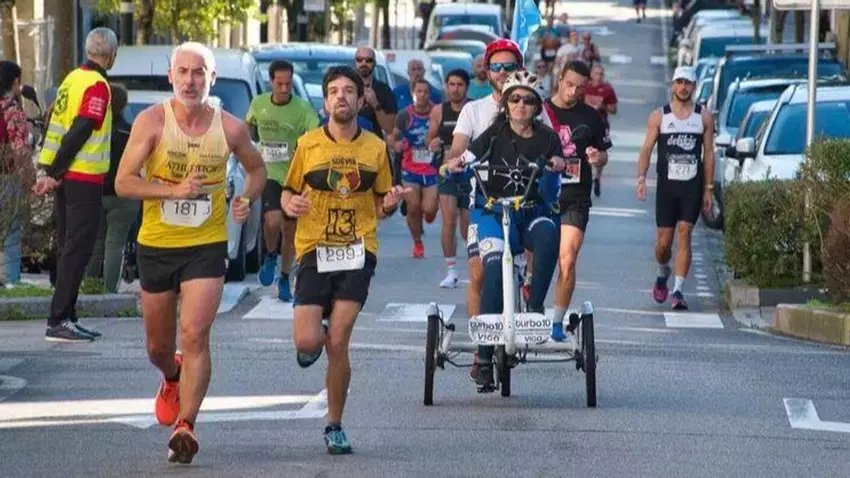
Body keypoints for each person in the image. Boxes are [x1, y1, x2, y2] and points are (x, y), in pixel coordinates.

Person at [114, 41, 266, 464]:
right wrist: (172, 191)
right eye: (182, 71)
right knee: (158, 348)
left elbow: (257, 170)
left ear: (211, 78)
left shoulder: (230, 128)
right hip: (158, 244)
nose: (190, 80)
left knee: (196, 333)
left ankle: (186, 425)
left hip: (205, 245)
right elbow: (124, 182)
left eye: (199, 72)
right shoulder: (151, 122)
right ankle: (171, 374)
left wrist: (246, 198)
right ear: (171, 77)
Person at [281, 65, 409, 454]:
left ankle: (334, 425)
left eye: (349, 91)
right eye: (334, 91)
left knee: (338, 342)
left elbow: (382, 203)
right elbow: (286, 192)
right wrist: (291, 204)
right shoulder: (307, 144)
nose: (341, 96)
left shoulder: (375, 148)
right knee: (308, 341)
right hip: (313, 248)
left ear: (360, 99)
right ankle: (315, 326)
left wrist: (390, 204)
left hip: (357, 249)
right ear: (325, 102)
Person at [443, 70, 564, 391]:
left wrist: (557, 166)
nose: (521, 105)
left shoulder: (547, 137)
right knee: (494, 268)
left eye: (528, 100)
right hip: (493, 214)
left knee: (549, 234)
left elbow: (558, 170)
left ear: (537, 106)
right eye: (515, 99)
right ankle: (484, 359)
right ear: (506, 104)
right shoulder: (493, 134)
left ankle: (534, 307)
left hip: (532, 212)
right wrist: (454, 164)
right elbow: (467, 157)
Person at [34, 27, 119, 342]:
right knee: (77, 249)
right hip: (82, 177)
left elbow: (55, 126)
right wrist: (55, 172)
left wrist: (49, 169)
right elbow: (81, 129)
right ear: (111, 55)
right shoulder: (97, 85)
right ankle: (59, 319)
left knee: (68, 247)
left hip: (67, 177)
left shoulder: (72, 79)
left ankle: (67, 316)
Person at [542, 60, 611, 342]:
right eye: (569, 85)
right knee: (537, 261)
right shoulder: (539, 111)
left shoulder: (591, 117)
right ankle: (529, 294)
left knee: (567, 259)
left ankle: (557, 323)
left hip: (575, 198)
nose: (573, 92)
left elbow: (604, 153)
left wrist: (597, 158)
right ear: (560, 79)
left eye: (579, 88)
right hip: (540, 197)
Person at [636, 66, 714, 310]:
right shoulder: (660, 116)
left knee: (684, 232)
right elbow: (647, 149)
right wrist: (641, 178)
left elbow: (709, 154)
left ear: (694, 86)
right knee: (663, 245)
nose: (683, 87)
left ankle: (678, 290)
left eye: (688, 83)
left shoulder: (703, 117)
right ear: (673, 85)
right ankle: (663, 271)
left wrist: (709, 188)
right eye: (679, 82)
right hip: (667, 187)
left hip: (692, 185)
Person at [246, 60, 319, 301]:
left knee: (289, 230)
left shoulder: (303, 109)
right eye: (280, 84)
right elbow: (249, 129)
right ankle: (270, 254)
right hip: (269, 173)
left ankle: (285, 276)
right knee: (272, 220)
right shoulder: (259, 104)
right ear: (271, 82)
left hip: (294, 176)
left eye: (288, 84)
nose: (285, 88)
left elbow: (315, 135)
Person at [84, 83, 139, 293]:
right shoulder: (130, 132)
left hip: (96, 191)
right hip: (124, 195)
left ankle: (89, 287)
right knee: (115, 244)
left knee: (95, 243)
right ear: (124, 105)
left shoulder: (94, 130)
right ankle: (109, 291)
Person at [426, 68, 471, 288]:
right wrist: (432, 143)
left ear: (466, 87)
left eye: (459, 85)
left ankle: (475, 266)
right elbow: (429, 139)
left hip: (470, 172)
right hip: (447, 172)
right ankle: (451, 271)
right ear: (446, 86)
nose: (455, 89)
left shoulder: (473, 109)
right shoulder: (438, 110)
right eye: (451, 84)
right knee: (449, 220)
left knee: (468, 226)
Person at [390, 78, 438, 258]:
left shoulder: (437, 112)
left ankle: (429, 214)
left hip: (432, 169)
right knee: (413, 207)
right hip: (410, 170)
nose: (422, 95)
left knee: (429, 208)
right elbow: (393, 137)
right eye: (419, 92)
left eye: (425, 92)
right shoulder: (404, 115)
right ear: (413, 93)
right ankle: (417, 242)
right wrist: (396, 145)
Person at [0, 60, 32, 288]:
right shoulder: (13, 111)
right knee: (11, 227)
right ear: (15, 81)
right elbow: (20, 150)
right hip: (8, 175)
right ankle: (11, 279)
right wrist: (30, 178)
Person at [582, 64, 618, 197]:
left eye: (601, 74)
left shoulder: (607, 89)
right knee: (584, 150)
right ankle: (586, 177)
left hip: (602, 125)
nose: (598, 76)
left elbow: (614, 110)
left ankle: (597, 177)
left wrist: (603, 106)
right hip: (585, 124)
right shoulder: (584, 87)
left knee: (601, 151)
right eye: (596, 73)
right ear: (591, 74)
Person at [353, 47, 397, 139]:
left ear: (374, 63)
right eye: (359, 60)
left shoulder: (384, 90)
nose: (364, 63)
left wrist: (375, 104)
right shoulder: (345, 87)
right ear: (355, 62)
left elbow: (389, 128)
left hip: (373, 143)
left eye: (368, 60)